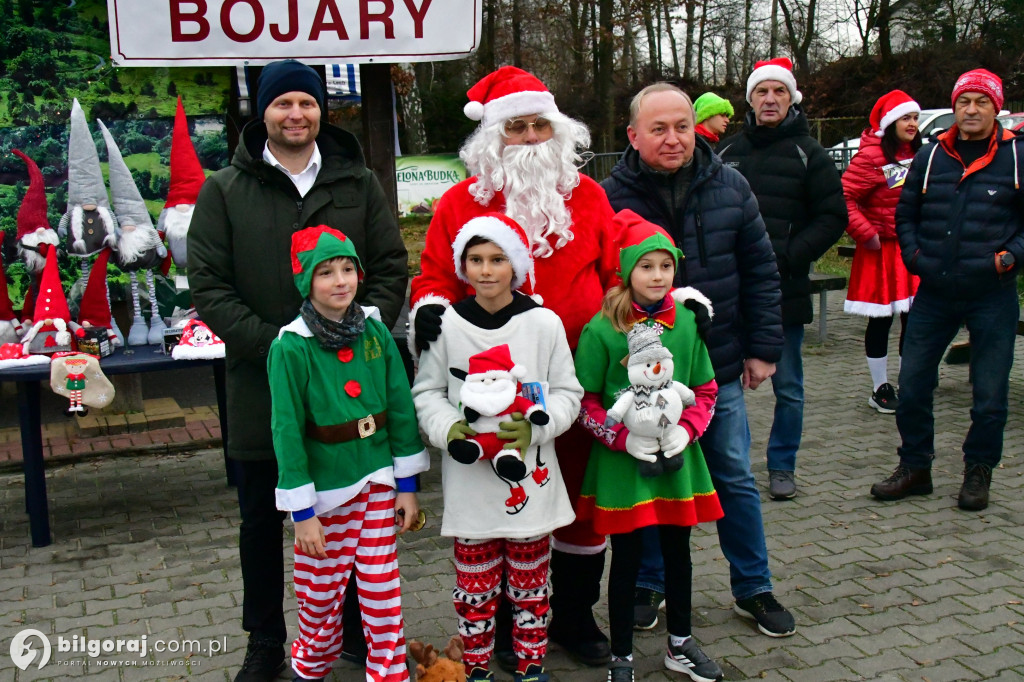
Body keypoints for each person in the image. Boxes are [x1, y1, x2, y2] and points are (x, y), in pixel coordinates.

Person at [188, 59, 409, 682]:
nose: (295, 114)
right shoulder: (225, 190)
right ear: (263, 112)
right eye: (282, 104)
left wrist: (356, 337)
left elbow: (391, 268)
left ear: (322, 111)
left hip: (350, 391)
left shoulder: (356, 182)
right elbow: (209, 284)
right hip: (263, 384)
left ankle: (354, 635)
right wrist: (281, 348)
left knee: (353, 517)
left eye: (306, 104)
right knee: (261, 516)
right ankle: (265, 639)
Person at [409, 66, 619, 667]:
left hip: (573, 380)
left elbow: (614, 277)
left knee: (577, 501)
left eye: (538, 125)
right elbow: (434, 276)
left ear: (556, 132)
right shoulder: (459, 202)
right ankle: (503, 629)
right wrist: (426, 308)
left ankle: (574, 620)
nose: (528, 138)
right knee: (502, 502)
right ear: (492, 139)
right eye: (516, 127)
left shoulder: (589, 196)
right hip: (489, 393)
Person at [601, 83, 794, 638]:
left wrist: (763, 350)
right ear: (633, 136)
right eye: (658, 129)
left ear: (696, 128)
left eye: (681, 126)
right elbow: (600, 285)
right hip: (640, 379)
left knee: (732, 475)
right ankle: (650, 584)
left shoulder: (732, 186)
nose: (672, 138)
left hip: (719, 368)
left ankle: (753, 585)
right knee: (652, 478)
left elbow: (761, 271)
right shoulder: (609, 197)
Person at [412, 213, 583, 682]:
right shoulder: (444, 325)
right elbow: (426, 392)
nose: (486, 270)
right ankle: (476, 668)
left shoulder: (543, 324)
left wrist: (536, 431)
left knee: (531, 586)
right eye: (475, 259)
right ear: (462, 266)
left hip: (531, 480)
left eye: (497, 259)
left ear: (517, 265)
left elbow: (569, 394)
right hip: (470, 486)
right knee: (474, 588)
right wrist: (449, 429)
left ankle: (531, 665)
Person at [269, 226, 428, 682]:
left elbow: (399, 405)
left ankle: (389, 669)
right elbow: (286, 431)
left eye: (347, 269)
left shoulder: (375, 330)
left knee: (381, 586)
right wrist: (302, 511)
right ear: (306, 282)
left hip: (377, 477)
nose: (340, 281)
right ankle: (312, 660)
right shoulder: (291, 347)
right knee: (321, 591)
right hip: (324, 491)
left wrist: (408, 486)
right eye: (326, 272)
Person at [574, 210, 724, 682]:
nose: (658, 276)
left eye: (666, 266)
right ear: (626, 270)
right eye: (646, 266)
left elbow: (705, 389)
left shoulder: (688, 323)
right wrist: (619, 437)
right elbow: (585, 401)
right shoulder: (601, 329)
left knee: (680, 553)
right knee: (628, 559)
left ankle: (680, 643)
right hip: (624, 466)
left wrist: (691, 429)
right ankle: (621, 654)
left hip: (679, 461)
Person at [870, 68, 1024, 512]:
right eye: (963, 102)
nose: (971, 110)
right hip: (934, 292)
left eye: (980, 102)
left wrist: (1006, 258)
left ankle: (978, 471)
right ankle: (916, 467)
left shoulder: (1016, 157)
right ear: (953, 107)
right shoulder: (931, 156)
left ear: (996, 108)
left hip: (992, 293)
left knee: (989, 393)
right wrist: (915, 257)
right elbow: (906, 214)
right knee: (914, 385)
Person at [717, 57, 847, 500]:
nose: (769, 99)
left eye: (779, 92)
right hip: (728, 293)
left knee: (788, 387)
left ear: (792, 99)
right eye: (761, 92)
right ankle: (728, 466)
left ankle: (782, 465)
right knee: (719, 385)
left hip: (781, 291)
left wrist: (790, 256)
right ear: (749, 100)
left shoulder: (810, 153)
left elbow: (833, 217)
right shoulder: (726, 153)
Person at [842, 90, 923, 414]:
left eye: (915, 118)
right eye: (906, 118)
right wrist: (867, 233)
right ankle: (880, 388)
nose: (913, 124)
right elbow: (844, 198)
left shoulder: (920, 153)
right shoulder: (871, 156)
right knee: (880, 321)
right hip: (880, 251)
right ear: (891, 123)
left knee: (914, 319)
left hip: (912, 248)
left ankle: (910, 382)